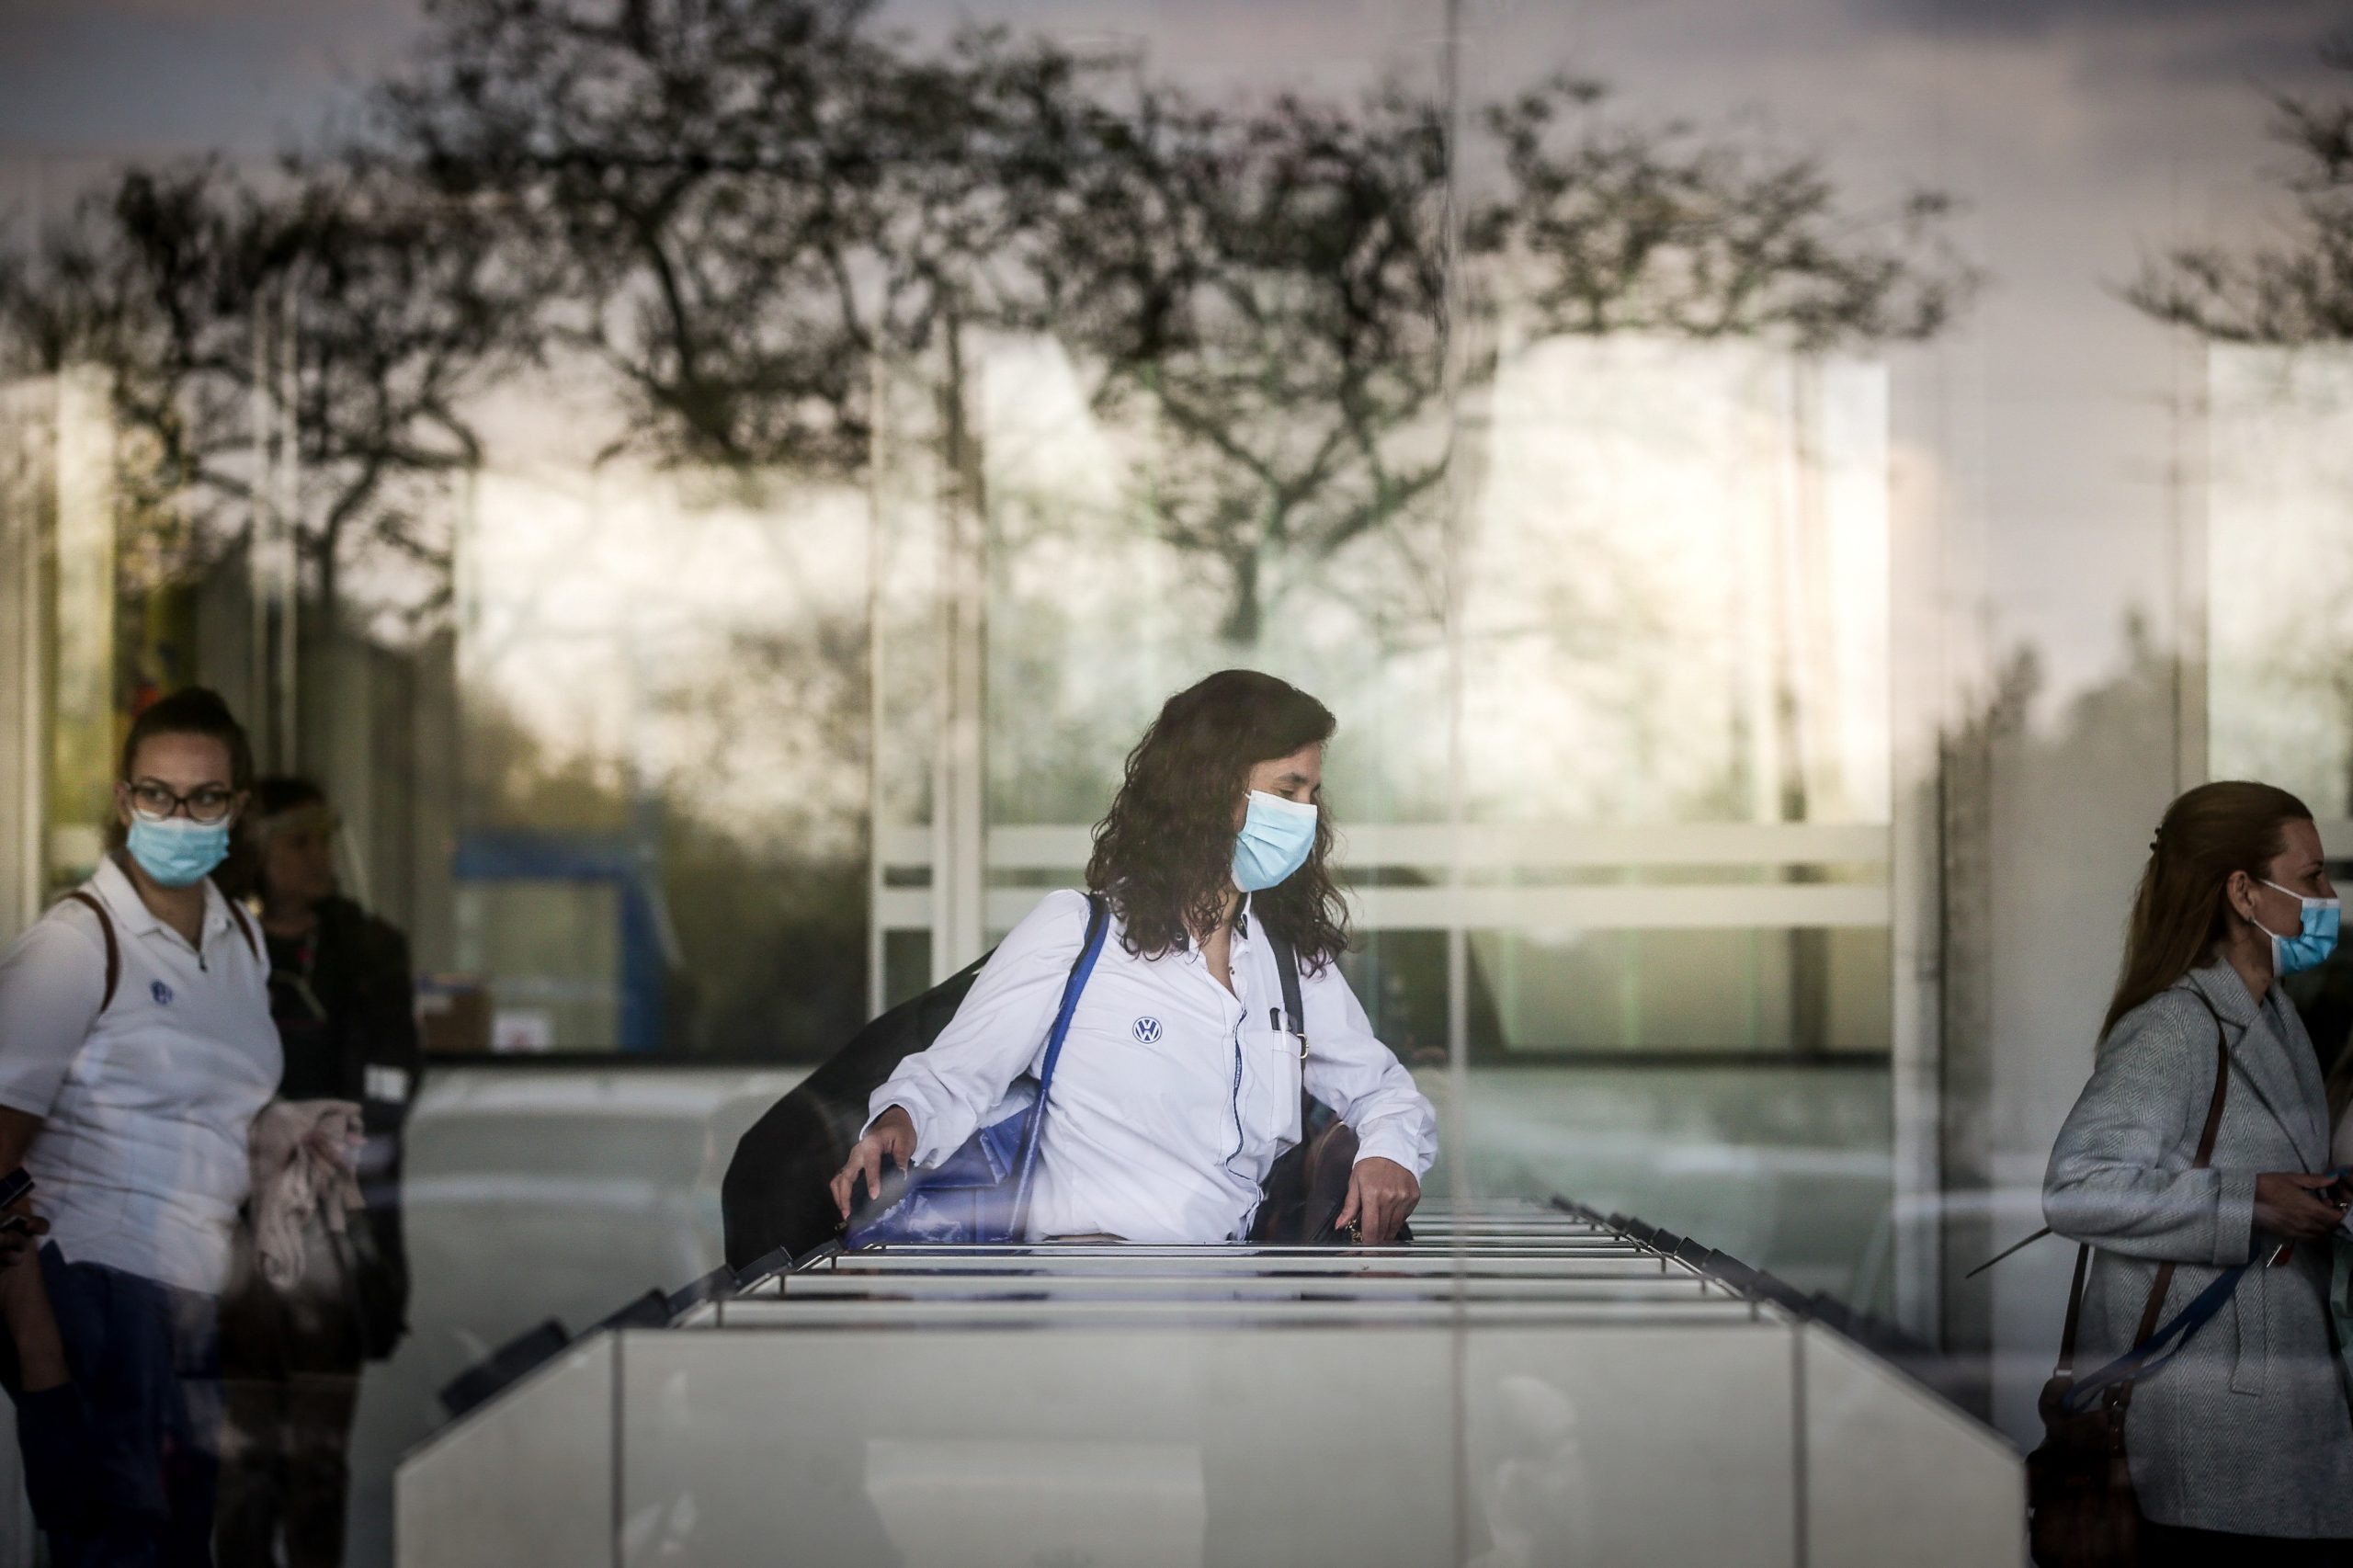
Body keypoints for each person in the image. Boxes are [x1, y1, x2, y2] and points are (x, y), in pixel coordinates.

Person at [830, 669, 1437, 1244]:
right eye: (1287, 790)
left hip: (1234, 1299)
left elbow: (1383, 1090)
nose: (1303, 813)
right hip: (1091, 1297)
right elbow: (952, 1079)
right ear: (1210, 788)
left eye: (1311, 793)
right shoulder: (1077, 934)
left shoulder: (1288, 963)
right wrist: (898, 1124)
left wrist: (1388, 1151)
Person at [0, 687, 281, 1565]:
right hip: (96, 1295)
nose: (177, 815)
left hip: (193, 1304)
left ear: (236, 807)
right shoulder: (77, 944)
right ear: (125, 802)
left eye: (203, 798)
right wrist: (43, 1359)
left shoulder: (241, 935)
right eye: (156, 794)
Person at [2044, 780, 2353, 1564]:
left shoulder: (2273, 1015)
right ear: (2244, 891)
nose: (2329, 896)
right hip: (2206, 1432)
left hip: (2271, 1414)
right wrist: (2250, 1204)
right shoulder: (2175, 1026)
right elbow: (2077, 1187)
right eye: (2312, 876)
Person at [214, 777, 421, 1568]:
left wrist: (328, 1146)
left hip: (337, 1230)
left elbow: (394, 1084)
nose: (318, 859)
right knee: (241, 1463)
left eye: (323, 841)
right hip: (232, 1234)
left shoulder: (368, 950)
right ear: (258, 853)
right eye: (297, 842)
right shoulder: (217, 946)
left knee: (317, 1462)